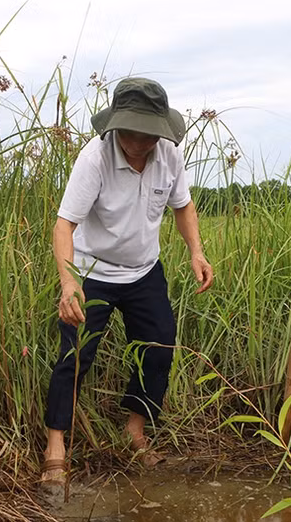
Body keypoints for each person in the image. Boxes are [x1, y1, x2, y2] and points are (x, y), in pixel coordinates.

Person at [42, 77, 214, 485]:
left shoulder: (168, 154)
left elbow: (183, 206)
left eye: (149, 134)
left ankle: (135, 430)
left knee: (159, 348)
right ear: (116, 125)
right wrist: (69, 283)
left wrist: (196, 250)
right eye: (132, 132)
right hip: (93, 272)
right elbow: (64, 225)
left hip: (143, 270)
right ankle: (55, 445)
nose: (140, 142)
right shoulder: (94, 159)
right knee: (75, 356)